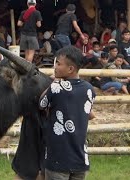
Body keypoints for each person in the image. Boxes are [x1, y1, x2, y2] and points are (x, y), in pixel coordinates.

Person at [39, 45, 95, 180]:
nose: (55, 67)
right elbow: (88, 113)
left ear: (70, 69)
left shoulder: (56, 87)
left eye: (58, 63)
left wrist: (54, 81)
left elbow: (42, 104)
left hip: (58, 157)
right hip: (80, 157)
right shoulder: (89, 88)